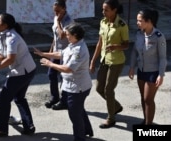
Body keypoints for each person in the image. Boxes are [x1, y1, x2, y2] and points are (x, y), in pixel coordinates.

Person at [34, 22, 93, 141]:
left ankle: (80, 138)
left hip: (78, 87)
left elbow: (69, 69)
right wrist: (44, 54)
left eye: (68, 35)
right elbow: (61, 54)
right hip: (69, 86)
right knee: (78, 109)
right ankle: (86, 129)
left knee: (74, 114)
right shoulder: (73, 44)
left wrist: (50, 64)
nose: (66, 37)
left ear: (75, 35)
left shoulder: (79, 50)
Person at [0, 13, 36, 137]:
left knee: (5, 98)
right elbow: (4, 56)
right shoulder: (3, 35)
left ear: (5, 25)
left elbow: (10, 60)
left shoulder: (12, 37)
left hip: (22, 72)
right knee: (19, 98)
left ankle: (1, 130)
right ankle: (29, 126)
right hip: (28, 70)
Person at [89, 0, 129, 128]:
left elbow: (126, 45)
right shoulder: (103, 22)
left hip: (116, 61)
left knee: (108, 89)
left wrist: (116, 46)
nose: (103, 12)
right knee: (99, 88)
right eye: (103, 9)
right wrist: (93, 61)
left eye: (106, 10)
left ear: (114, 10)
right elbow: (99, 43)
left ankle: (111, 118)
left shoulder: (122, 25)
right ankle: (116, 106)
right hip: (104, 59)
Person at [128, 9, 167, 125]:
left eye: (140, 21)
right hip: (141, 70)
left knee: (148, 99)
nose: (137, 23)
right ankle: (146, 120)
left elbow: (162, 58)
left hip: (153, 72)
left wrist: (161, 75)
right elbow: (135, 51)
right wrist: (132, 67)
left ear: (148, 21)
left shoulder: (158, 37)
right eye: (137, 20)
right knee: (142, 97)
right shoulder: (139, 34)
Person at [45, 0, 73, 110]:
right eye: (54, 11)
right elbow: (55, 36)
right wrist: (51, 49)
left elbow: (62, 36)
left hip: (65, 53)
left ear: (64, 9)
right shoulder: (57, 18)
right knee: (51, 74)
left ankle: (64, 101)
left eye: (58, 11)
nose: (56, 14)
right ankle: (54, 97)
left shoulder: (69, 21)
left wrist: (59, 22)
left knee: (64, 77)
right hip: (56, 51)